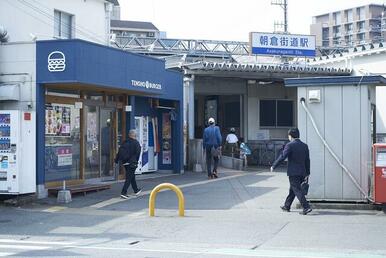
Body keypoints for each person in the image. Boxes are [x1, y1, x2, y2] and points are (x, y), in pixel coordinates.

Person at [270, 128, 312, 215]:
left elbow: (282, 156)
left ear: (291, 136)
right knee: (292, 189)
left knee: (296, 189)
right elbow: (307, 160)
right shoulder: (304, 145)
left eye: (288, 135)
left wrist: (274, 166)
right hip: (302, 172)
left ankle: (306, 207)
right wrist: (307, 172)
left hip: (293, 172)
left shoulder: (290, 145)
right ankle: (287, 206)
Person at [115, 129, 142, 199]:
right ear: (135, 135)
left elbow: (120, 151)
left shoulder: (125, 142)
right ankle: (123, 192)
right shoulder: (136, 143)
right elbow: (138, 153)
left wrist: (116, 160)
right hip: (132, 163)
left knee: (131, 176)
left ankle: (136, 190)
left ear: (129, 135)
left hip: (125, 163)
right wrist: (136, 161)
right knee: (129, 178)